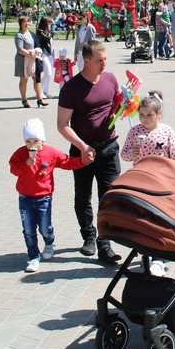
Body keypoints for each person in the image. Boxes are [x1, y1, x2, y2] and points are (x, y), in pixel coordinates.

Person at [57, 40, 123, 264]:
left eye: (105, 59)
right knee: (83, 196)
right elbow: (62, 124)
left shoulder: (110, 79)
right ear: (86, 61)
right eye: (99, 61)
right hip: (82, 151)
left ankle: (105, 245)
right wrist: (82, 147)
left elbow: (117, 105)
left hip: (109, 148)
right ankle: (89, 236)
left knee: (110, 197)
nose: (104, 64)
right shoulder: (71, 88)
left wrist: (127, 106)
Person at [9, 118, 87, 272]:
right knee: (29, 229)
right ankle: (33, 257)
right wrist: (25, 164)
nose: (32, 145)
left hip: (44, 197)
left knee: (45, 226)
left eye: (36, 140)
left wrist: (84, 161)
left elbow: (67, 162)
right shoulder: (21, 153)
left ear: (42, 140)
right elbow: (13, 169)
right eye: (28, 141)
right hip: (25, 197)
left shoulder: (50, 153)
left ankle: (49, 242)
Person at [120, 91, 175, 164]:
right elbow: (124, 155)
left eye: (149, 115)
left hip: (161, 172)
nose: (144, 118)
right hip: (141, 172)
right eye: (141, 115)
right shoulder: (134, 131)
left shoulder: (167, 131)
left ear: (159, 114)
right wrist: (132, 153)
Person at [14, 16, 49, 109]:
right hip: (23, 60)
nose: (26, 23)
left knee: (37, 79)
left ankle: (40, 98)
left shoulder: (32, 34)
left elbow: (38, 45)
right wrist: (31, 54)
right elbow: (20, 49)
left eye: (27, 22)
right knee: (24, 80)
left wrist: (36, 54)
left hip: (33, 59)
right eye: (24, 22)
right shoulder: (19, 35)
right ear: (20, 24)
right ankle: (24, 100)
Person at [36, 16, 55, 98]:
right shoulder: (40, 31)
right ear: (45, 23)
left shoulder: (49, 31)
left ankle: (45, 91)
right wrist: (49, 31)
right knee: (48, 72)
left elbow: (51, 42)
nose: (51, 25)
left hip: (50, 54)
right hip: (43, 53)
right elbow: (46, 38)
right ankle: (40, 91)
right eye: (49, 23)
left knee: (49, 74)